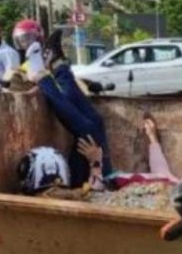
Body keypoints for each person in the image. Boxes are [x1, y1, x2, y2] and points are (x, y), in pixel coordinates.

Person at [12, 19, 111, 186]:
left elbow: (97, 193)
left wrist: (96, 163)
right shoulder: (17, 70)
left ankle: (50, 71)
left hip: (86, 182)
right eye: (22, 40)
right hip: (97, 181)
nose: (25, 43)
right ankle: (56, 67)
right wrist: (96, 163)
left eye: (29, 38)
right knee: (93, 125)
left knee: (90, 128)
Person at [76, 112, 179, 192]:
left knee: (87, 128)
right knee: (95, 121)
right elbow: (161, 171)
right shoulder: (173, 182)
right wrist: (152, 136)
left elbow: (98, 190)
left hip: (99, 174)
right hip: (106, 171)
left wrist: (95, 162)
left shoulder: (169, 193)